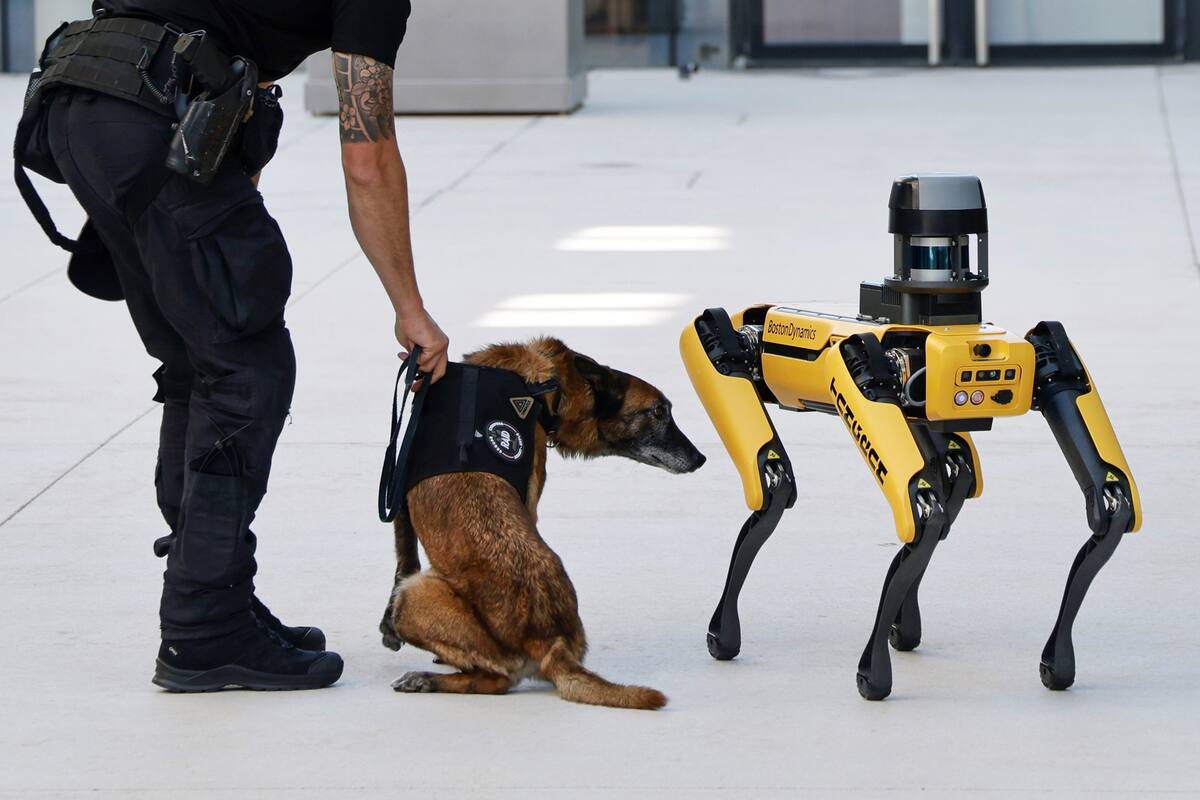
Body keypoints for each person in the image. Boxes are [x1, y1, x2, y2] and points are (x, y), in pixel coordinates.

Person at [29, 0, 449, 691]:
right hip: (144, 114)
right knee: (246, 368)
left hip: (78, 101)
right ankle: (203, 627)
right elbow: (367, 156)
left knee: (199, 364)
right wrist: (410, 308)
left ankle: (217, 592)